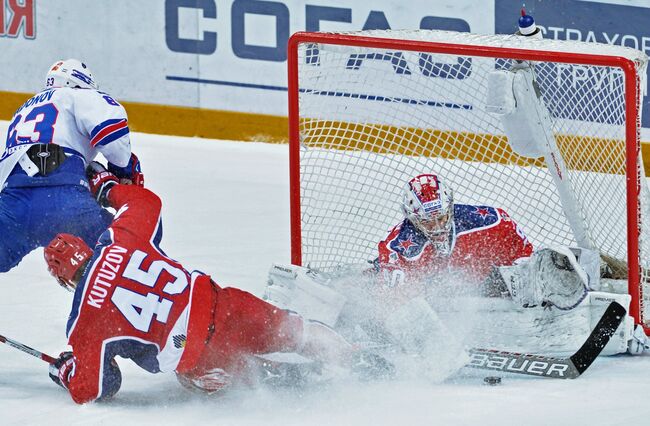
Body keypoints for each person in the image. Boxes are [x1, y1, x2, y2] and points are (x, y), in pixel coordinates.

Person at [44, 165, 391, 404]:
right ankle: (356, 358)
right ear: (86, 247)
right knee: (294, 331)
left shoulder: (84, 322)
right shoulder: (119, 238)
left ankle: (293, 382)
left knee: (248, 378)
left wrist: (68, 370)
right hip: (229, 306)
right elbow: (147, 201)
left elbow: (94, 389)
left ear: (62, 278)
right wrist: (106, 186)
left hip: (202, 359)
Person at [0, 58, 143, 273]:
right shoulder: (79, 95)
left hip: (13, 203)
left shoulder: (23, 109)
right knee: (124, 259)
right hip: (63, 199)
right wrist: (122, 171)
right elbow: (114, 141)